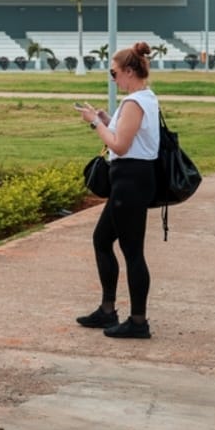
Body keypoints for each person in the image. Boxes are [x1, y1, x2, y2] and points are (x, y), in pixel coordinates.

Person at [74, 41, 160, 339]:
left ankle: (138, 322)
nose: (113, 79)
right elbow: (128, 136)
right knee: (102, 239)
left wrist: (95, 123)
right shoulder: (144, 99)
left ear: (129, 71)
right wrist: (109, 121)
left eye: (114, 74)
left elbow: (120, 145)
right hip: (133, 178)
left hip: (131, 180)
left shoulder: (135, 102)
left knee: (132, 252)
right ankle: (108, 310)